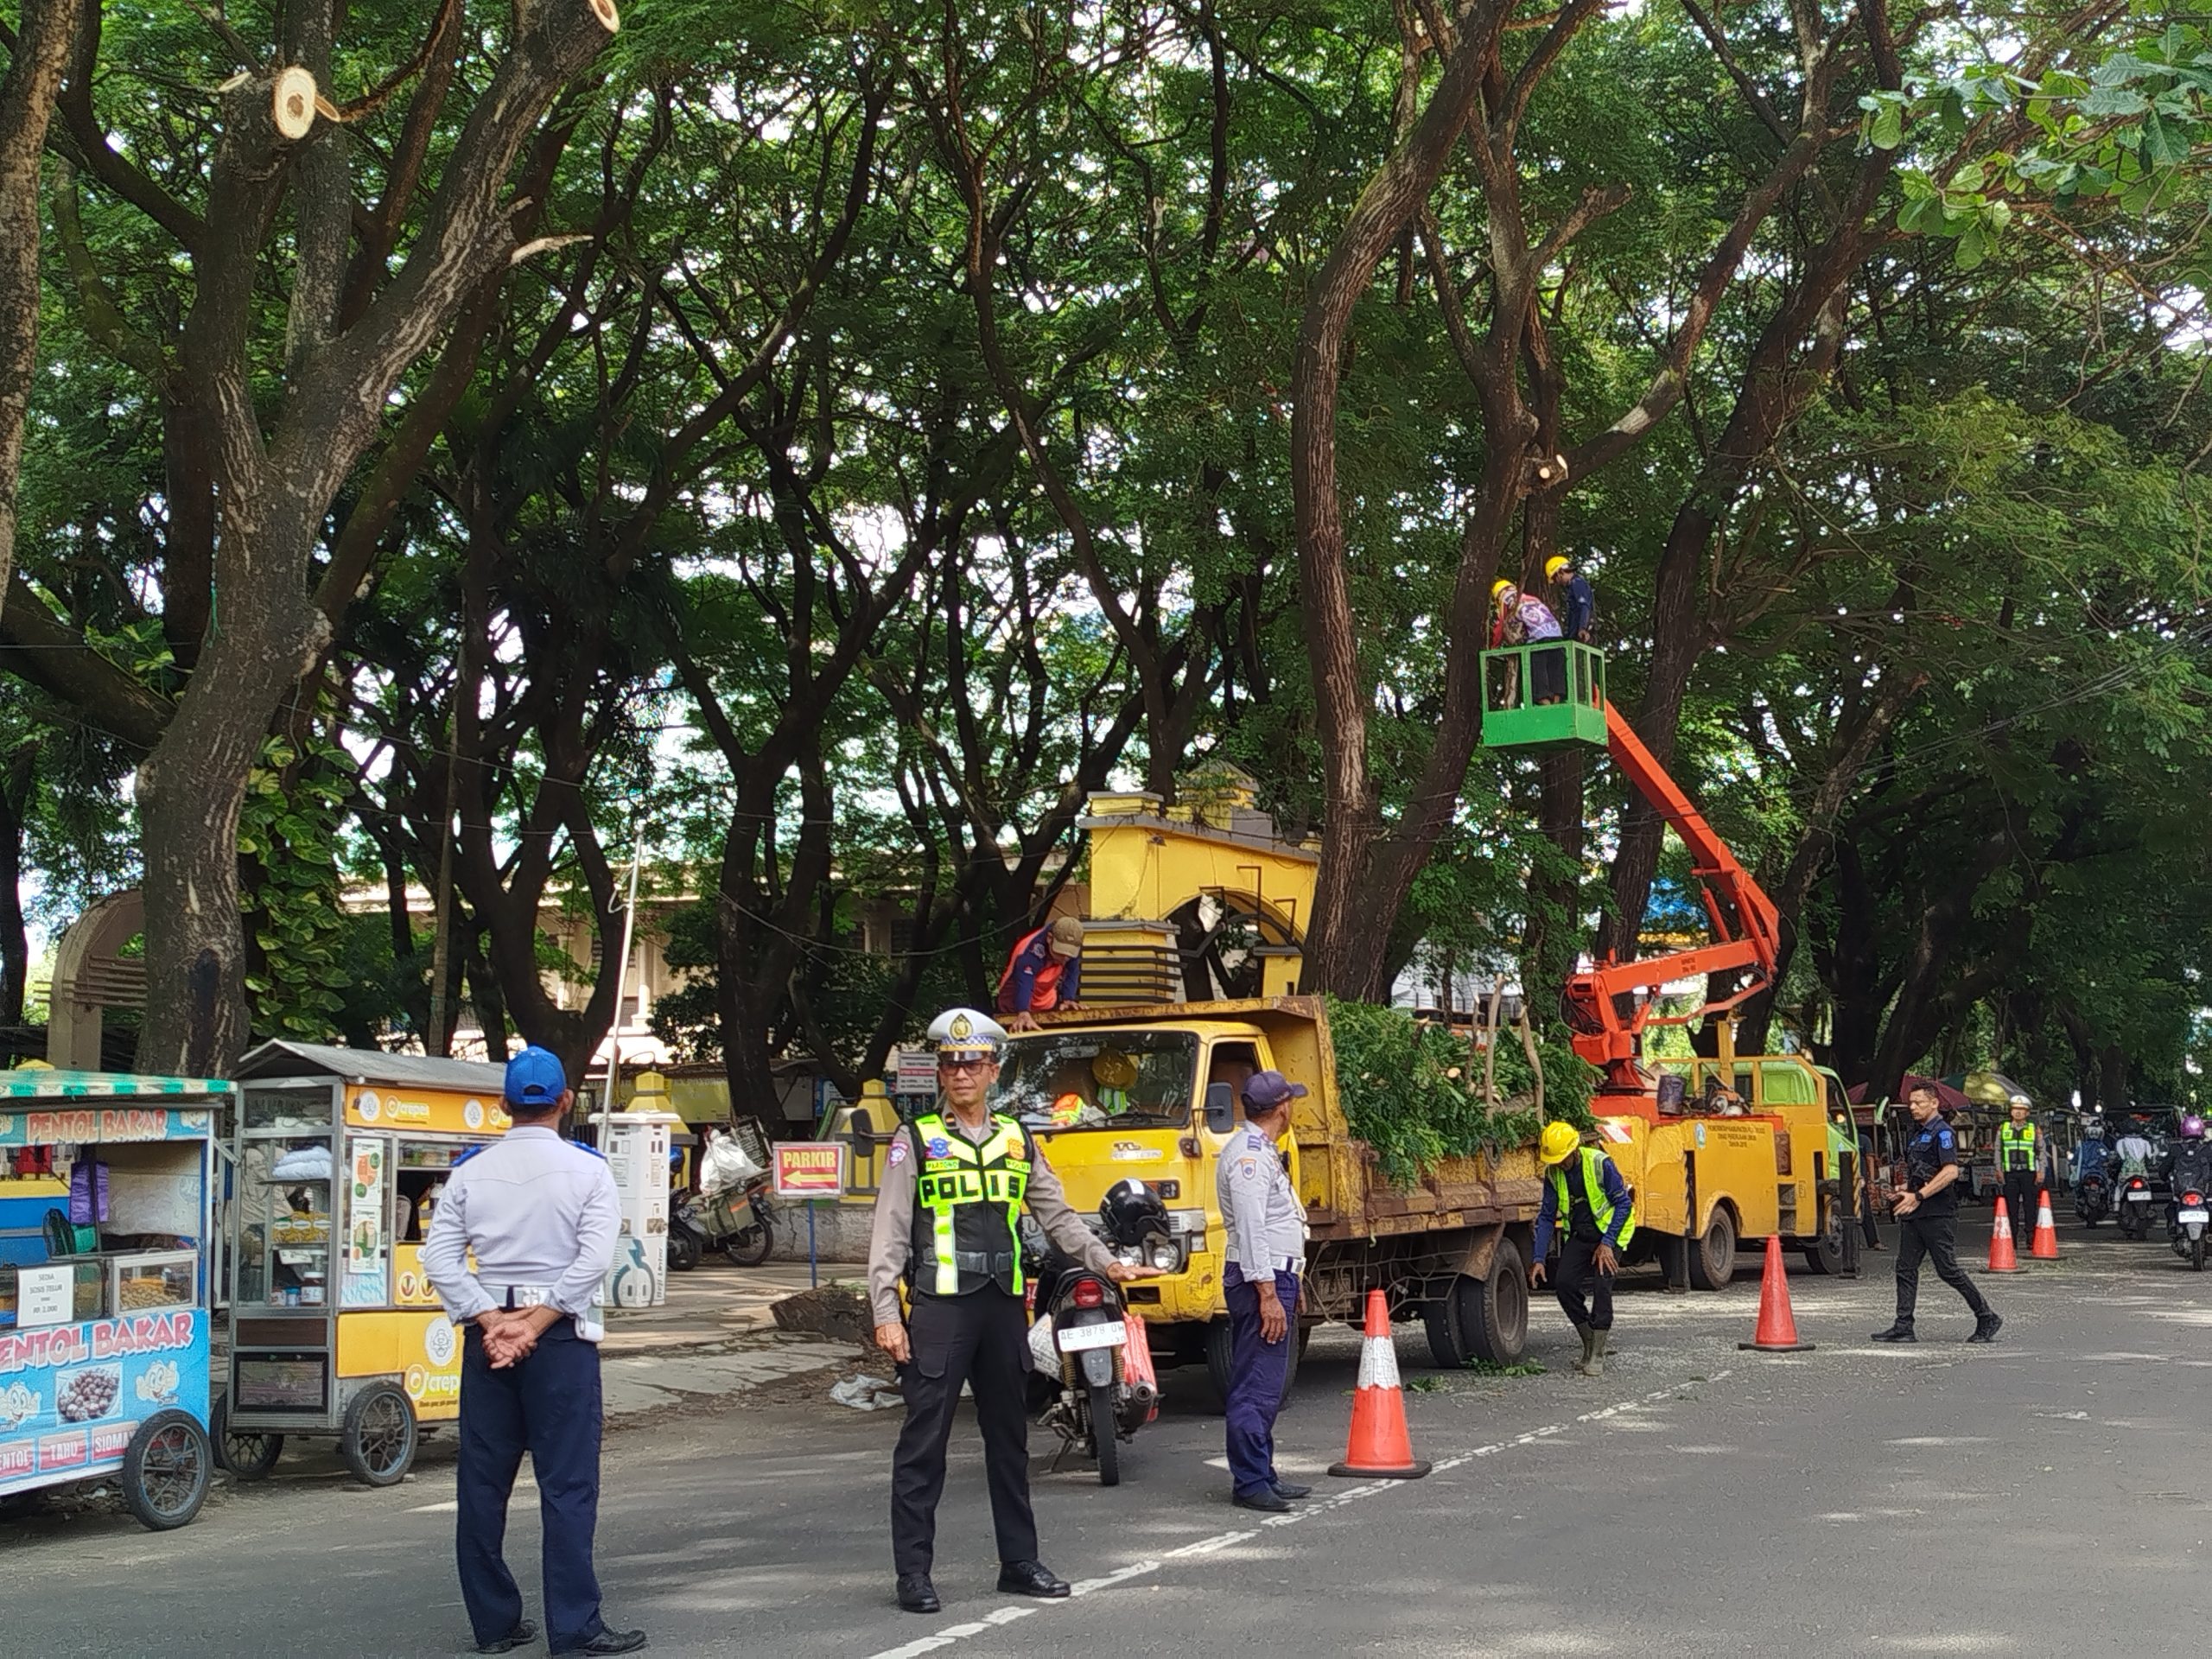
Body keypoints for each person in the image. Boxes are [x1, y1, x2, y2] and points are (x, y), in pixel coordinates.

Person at [868, 1007, 1155, 1616]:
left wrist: (1106, 1263)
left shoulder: (1016, 1138)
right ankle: (914, 1573)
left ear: (993, 1070)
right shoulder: (915, 1140)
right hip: (940, 1311)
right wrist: (885, 1313)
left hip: (1001, 1309)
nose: (960, 1073)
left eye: (971, 1062)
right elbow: (889, 1232)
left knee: (1009, 1440)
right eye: (950, 1062)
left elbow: (1056, 1215)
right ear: (940, 1072)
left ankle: (1019, 1562)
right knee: (924, 1445)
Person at [422, 1046, 644, 1657]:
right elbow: (593, 1260)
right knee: (567, 1486)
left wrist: (495, 1319)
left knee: (483, 1485)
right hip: (560, 1342)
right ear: (565, 1101)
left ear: (503, 1104)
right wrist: (537, 1323)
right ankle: (573, 1627)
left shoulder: (470, 1171)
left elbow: (439, 1258)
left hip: (488, 1342)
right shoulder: (588, 1170)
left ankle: (493, 1624)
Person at [1217, 1070, 1311, 1513]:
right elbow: (1254, 1229)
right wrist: (1269, 1292)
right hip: (1262, 1276)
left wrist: (1292, 1281)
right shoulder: (1250, 1158)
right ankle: (1250, 1481)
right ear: (1281, 1108)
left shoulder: (1258, 1151)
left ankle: (1262, 1472)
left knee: (1266, 1382)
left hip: (1274, 1273)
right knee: (1257, 1383)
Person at [1872, 1084, 2002, 1345]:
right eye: (1911, 1102)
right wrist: (1902, 1191)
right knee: (1905, 1268)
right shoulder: (1916, 1133)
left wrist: (1918, 1196)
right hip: (1914, 1212)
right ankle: (1903, 1325)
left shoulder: (1942, 1133)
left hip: (1937, 1213)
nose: (1913, 1107)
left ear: (1934, 1104)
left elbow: (1950, 1172)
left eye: (1919, 1102)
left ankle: (1986, 1316)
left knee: (1947, 1269)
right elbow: (1921, 1173)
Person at [1529, 1121, 1635, 1376]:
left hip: (1611, 1233)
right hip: (1581, 1234)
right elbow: (1546, 1217)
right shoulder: (1553, 1174)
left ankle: (1597, 1353)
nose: (1559, 1163)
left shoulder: (1600, 1163)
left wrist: (1608, 1243)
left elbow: (1623, 1204)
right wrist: (1539, 1258)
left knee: (1602, 1285)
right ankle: (1588, 1341)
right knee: (1564, 1284)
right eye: (1555, 1159)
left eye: (1563, 1158)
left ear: (1574, 1150)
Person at [995, 914, 1084, 1033]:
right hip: (1013, 1002)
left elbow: (1073, 971)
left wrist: (1068, 999)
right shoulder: (1031, 951)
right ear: (1049, 938)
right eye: (1061, 953)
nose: (1065, 958)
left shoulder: (1071, 947)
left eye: (1069, 954)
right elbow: (1024, 981)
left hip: (1045, 1003)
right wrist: (1023, 1011)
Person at [1490, 579, 1567, 705]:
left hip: (1538, 637)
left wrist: (1494, 646)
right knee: (1555, 668)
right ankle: (1557, 701)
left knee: (1537, 669)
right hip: (1556, 632)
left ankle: (1544, 702)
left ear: (1498, 595)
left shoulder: (1506, 599)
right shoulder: (1532, 598)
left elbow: (1502, 626)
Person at [1996, 1098, 2046, 1242]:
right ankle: (2012, 1237)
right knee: (2011, 1207)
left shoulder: (2033, 1129)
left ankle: (2031, 1236)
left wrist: (2041, 1171)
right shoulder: (2003, 1128)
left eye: (2021, 1109)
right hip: (2010, 1173)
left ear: (2027, 1112)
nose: (2018, 1112)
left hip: (2028, 1173)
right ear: (2011, 1111)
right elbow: (1998, 1151)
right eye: (2015, 1109)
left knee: (2030, 1206)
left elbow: (2041, 1151)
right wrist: (1998, 1169)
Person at [1546, 554, 1596, 643]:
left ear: (1560, 573)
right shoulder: (1572, 586)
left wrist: (1583, 628)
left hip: (1581, 636)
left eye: (1555, 578)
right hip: (1575, 635)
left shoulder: (1577, 583)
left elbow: (1584, 606)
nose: (1557, 582)